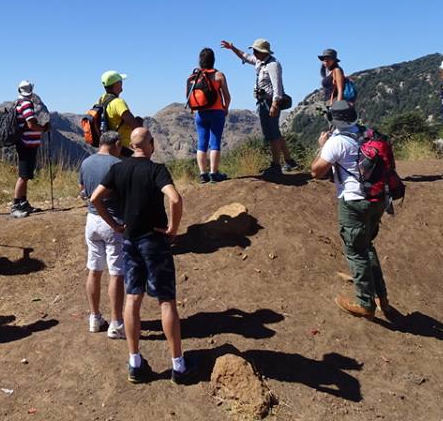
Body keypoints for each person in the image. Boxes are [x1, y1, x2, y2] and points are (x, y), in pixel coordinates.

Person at [91, 127, 196, 385]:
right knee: (166, 301)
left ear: (132, 145)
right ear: (150, 144)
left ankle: (135, 363)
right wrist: (172, 229)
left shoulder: (118, 169)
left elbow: (95, 198)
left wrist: (115, 225)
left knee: (132, 298)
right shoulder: (156, 170)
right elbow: (175, 199)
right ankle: (178, 366)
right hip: (154, 240)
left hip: (129, 240)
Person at [310, 100, 393, 320]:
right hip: (377, 199)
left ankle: (365, 304)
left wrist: (322, 145)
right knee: (367, 246)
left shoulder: (336, 142)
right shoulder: (367, 134)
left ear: (333, 120)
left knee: (356, 252)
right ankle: (381, 298)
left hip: (353, 202)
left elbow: (316, 172)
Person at [220, 39, 300, 175]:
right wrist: (232, 48)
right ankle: (288, 161)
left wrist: (274, 104)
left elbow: (277, 86)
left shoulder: (273, 65)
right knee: (275, 132)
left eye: (256, 50)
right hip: (263, 102)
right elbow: (245, 56)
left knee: (272, 134)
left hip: (269, 102)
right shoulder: (260, 61)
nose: (254, 52)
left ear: (263, 52)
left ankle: (276, 165)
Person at [78, 131, 126, 339]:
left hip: (92, 220)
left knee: (94, 269)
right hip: (112, 221)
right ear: (116, 144)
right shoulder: (118, 165)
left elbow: (82, 190)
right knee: (116, 273)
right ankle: (116, 323)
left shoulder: (86, 162)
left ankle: (95, 318)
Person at [190, 49, 232, 183]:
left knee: (201, 143)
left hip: (200, 113)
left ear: (200, 60)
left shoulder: (195, 76)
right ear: (213, 60)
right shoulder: (219, 75)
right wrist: (225, 108)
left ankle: (203, 174)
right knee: (215, 142)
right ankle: (214, 173)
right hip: (217, 112)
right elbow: (227, 96)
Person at [11, 80, 49, 218]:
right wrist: (44, 128)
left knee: (25, 176)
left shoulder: (18, 102)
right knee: (23, 175)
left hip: (24, 143)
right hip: (26, 144)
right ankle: (16, 205)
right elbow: (31, 124)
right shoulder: (26, 104)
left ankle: (23, 202)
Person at [98, 70, 143, 158]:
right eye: (121, 81)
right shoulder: (118, 102)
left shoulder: (101, 100)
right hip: (121, 149)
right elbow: (134, 125)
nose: (122, 83)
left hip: (107, 147)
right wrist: (139, 122)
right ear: (116, 84)